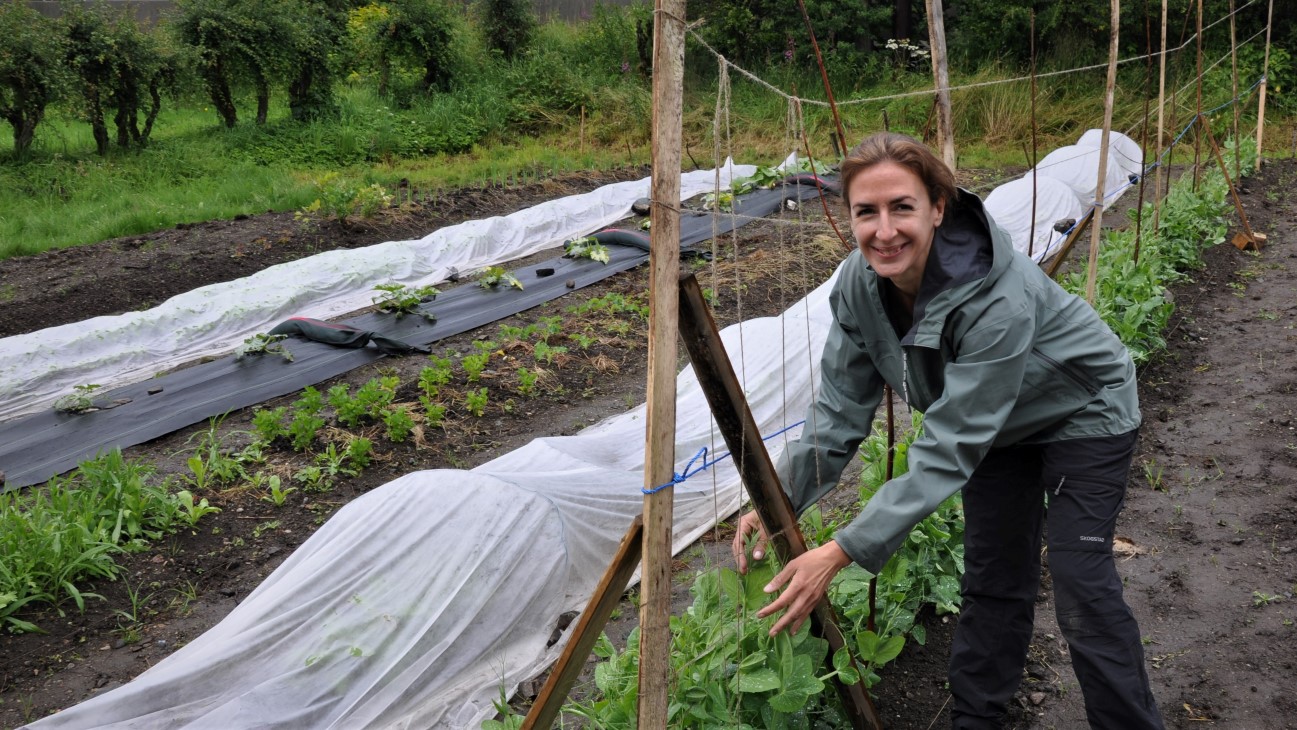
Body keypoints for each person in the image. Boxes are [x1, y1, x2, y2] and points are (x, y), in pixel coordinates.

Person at [731, 132, 1164, 729]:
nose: (884, 230)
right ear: (847, 217)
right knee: (993, 575)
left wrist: (840, 552)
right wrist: (777, 499)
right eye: (866, 212)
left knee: (1081, 584)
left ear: (938, 206)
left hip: (1082, 410)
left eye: (902, 207)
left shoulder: (995, 299)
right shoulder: (858, 287)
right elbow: (837, 415)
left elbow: (950, 445)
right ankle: (976, 721)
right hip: (1000, 429)